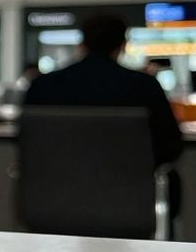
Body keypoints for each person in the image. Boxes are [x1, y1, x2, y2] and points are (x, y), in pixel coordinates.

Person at [25, 14, 184, 220]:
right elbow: (171, 147)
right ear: (123, 45)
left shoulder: (43, 87)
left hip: (53, 200)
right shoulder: (144, 87)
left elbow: (28, 142)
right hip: (129, 201)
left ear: (82, 45)